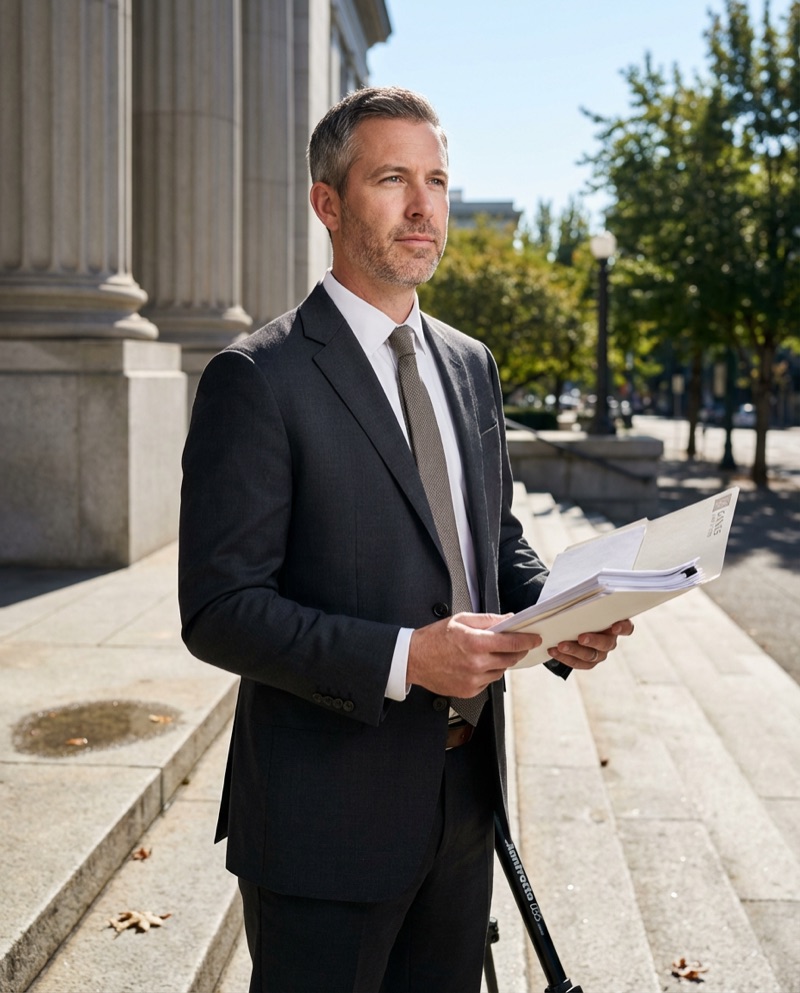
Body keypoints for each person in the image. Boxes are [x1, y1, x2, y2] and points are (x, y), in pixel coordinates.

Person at [178, 86, 633, 993]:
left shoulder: (471, 363)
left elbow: (491, 534)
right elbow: (221, 611)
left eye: (437, 180)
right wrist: (404, 657)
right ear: (328, 202)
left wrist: (557, 615)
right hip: (323, 827)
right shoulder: (255, 378)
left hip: (465, 805)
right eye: (393, 179)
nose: (425, 206)